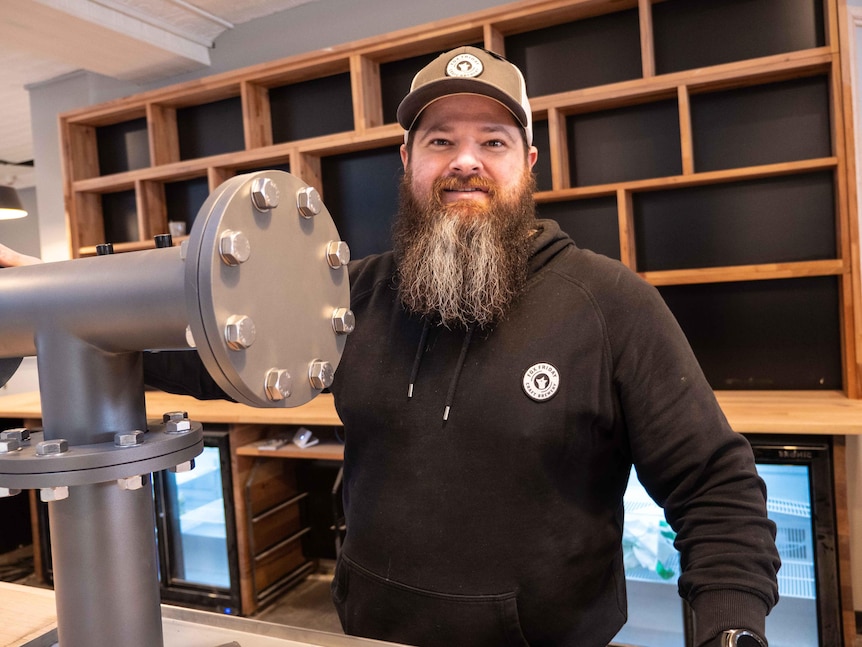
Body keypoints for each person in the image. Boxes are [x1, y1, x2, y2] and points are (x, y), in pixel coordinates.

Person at [2, 46, 780, 647]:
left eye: (493, 141)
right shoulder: (351, 294)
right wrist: (55, 298)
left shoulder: (613, 304)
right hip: (368, 634)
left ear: (529, 165)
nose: (465, 160)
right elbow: (197, 344)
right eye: (439, 139)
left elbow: (716, 488)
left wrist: (731, 626)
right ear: (406, 162)